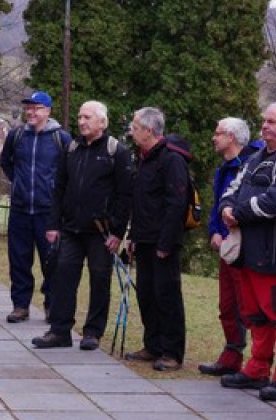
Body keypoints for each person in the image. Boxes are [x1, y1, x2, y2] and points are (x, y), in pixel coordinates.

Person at [218, 102, 276, 401]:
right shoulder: (255, 157)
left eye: (272, 122)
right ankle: (257, 368)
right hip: (247, 252)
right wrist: (226, 208)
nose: (265, 126)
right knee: (253, 314)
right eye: (264, 121)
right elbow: (232, 188)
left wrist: (238, 213)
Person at [32, 100, 133, 350]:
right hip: (70, 228)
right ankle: (59, 330)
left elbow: (124, 196)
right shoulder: (72, 148)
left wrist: (117, 232)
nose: (81, 122)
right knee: (62, 278)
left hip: (101, 232)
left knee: (100, 281)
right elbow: (59, 188)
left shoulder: (116, 151)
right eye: (79, 117)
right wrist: (53, 224)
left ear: (102, 121)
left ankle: (92, 332)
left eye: (87, 117)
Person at [123, 109, 188, 371]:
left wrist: (166, 242)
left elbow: (176, 202)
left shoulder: (171, 159)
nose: (131, 130)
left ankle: (172, 352)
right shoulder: (144, 158)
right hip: (144, 238)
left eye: (136, 126)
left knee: (167, 295)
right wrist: (133, 236)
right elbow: (141, 201)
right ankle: (153, 345)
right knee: (147, 295)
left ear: (149, 131)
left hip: (164, 242)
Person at [197, 117, 262, 376]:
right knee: (227, 304)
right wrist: (215, 231)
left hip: (244, 246)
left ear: (232, 137)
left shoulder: (251, 165)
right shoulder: (223, 168)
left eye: (218, 133)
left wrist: (231, 232)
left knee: (248, 305)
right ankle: (231, 354)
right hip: (225, 246)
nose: (214, 138)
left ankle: (257, 360)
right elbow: (218, 203)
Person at [0, 91, 71, 323]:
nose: (31, 112)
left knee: (52, 261)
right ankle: (20, 305)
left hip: (47, 212)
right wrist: (19, 183)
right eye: (28, 108)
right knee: (19, 259)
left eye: (37, 108)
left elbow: (68, 172)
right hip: (20, 209)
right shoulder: (17, 135)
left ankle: (51, 305)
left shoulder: (61, 138)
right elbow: (6, 162)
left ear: (48, 111)